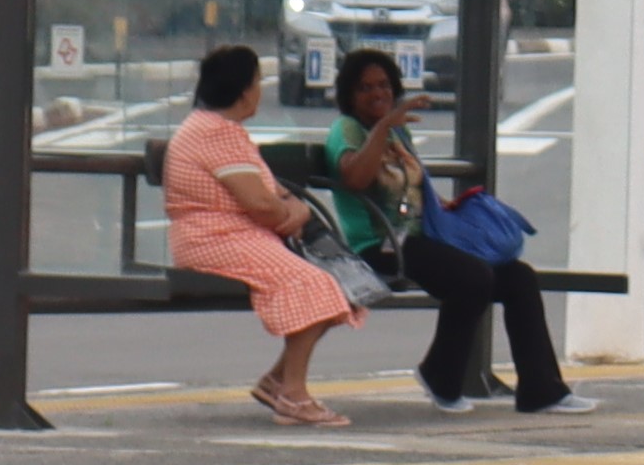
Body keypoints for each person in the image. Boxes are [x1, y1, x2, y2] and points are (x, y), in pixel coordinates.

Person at [323, 46, 575, 416]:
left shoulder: (397, 134)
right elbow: (355, 178)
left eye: (383, 85)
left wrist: (449, 210)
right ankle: (440, 375)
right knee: (473, 278)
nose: (377, 93)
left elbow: (412, 188)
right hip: (380, 246)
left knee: (518, 278)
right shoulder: (347, 130)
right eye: (365, 88)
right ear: (349, 94)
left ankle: (542, 390)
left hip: (422, 238)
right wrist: (382, 128)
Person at [162, 42, 355, 427]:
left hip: (232, 237)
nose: (259, 91)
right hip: (215, 240)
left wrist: (290, 209)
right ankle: (293, 396)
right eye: (257, 82)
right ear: (244, 89)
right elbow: (262, 205)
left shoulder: (215, 130)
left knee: (338, 286)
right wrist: (291, 212)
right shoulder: (217, 135)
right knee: (311, 282)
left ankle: (278, 381)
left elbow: (272, 195)